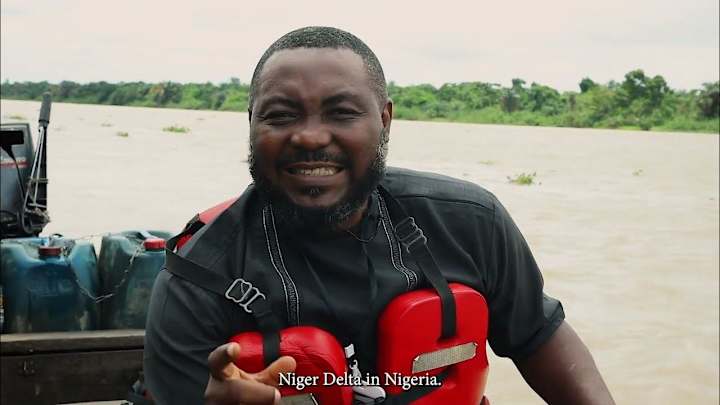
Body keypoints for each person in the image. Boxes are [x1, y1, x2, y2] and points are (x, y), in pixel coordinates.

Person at [143, 26, 615, 405]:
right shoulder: (198, 279)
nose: (310, 137)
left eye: (341, 113)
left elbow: (537, 336)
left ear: (384, 121)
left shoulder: (470, 223)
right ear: (251, 124)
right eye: (281, 115)